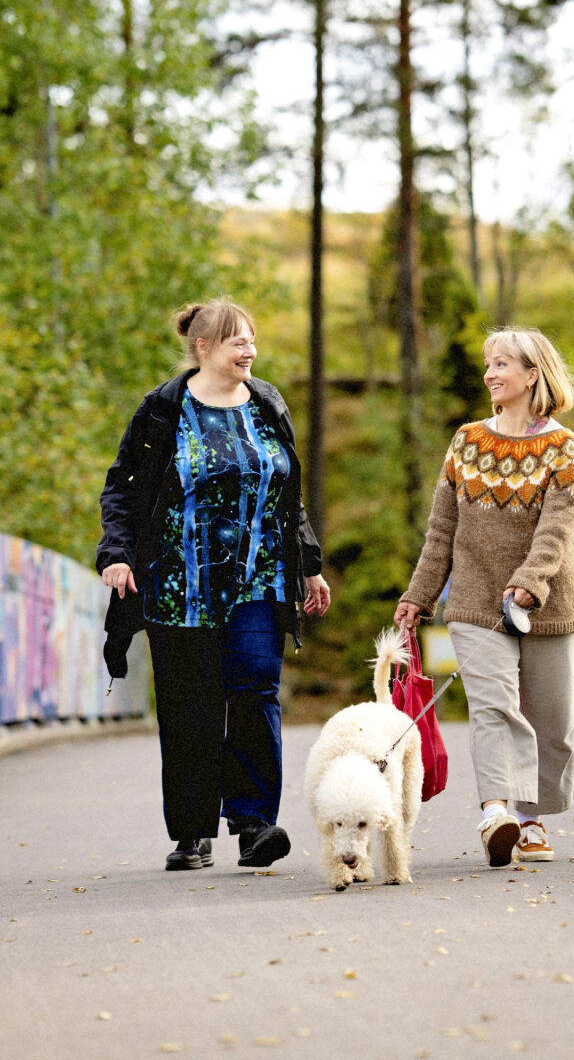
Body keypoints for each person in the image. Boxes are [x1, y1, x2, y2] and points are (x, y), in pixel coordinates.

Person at [98, 299, 332, 872]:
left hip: (259, 578)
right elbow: (122, 490)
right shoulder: (162, 409)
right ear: (203, 348)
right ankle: (193, 831)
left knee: (255, 689)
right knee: (189, 704)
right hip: (179, 583)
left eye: (252, 339)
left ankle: (254, 824)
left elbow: (288, 496)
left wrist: (307, 563)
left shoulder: (268, 404)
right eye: (236, 341)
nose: (248, 350)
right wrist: (118, 555)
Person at [394, 327, 574, 867]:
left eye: (502, 363)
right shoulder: (467, 442)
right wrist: (420, 594)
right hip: (477, 603)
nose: (490, 373)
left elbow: (557, 529)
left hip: (550, 606)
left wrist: (530, 582)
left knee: (551, 722)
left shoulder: (563, 448)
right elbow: (441, 531)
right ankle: (498, 815)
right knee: (493, 709)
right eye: (488, 364)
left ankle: (532, 815)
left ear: (533, 374)